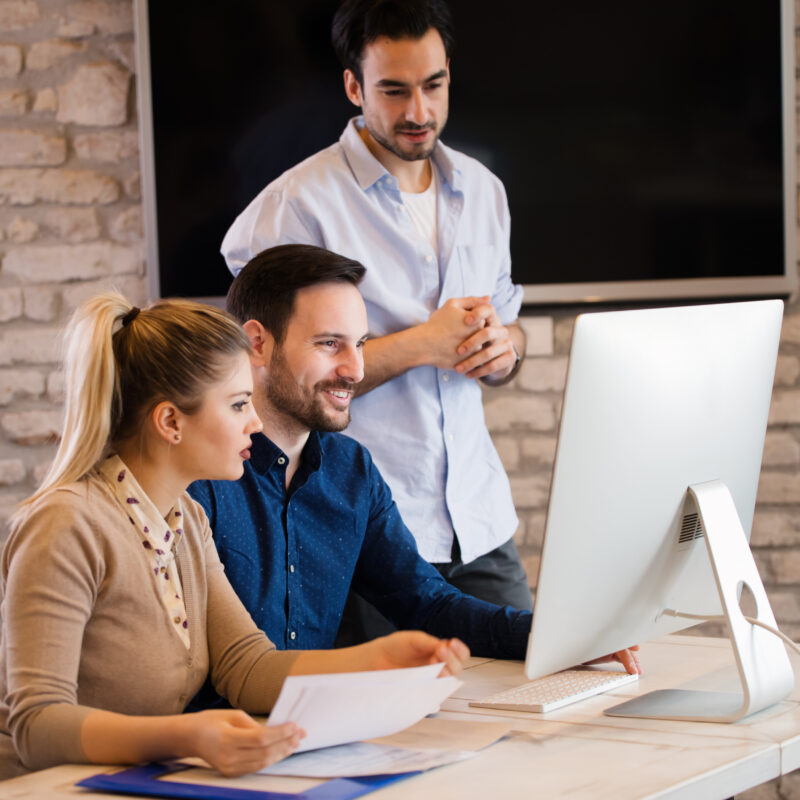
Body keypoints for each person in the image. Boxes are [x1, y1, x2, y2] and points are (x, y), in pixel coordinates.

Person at [0, 292, 468, 781]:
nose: (256, 422)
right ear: (170, 422)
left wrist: (374, 661)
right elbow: (37, 726)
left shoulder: (184, 519)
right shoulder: (66, 525)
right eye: (239, 404)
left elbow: (245, 665)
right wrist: (188, 736)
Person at [187, 244, 640, 707]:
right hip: (205, 747)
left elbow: (426, 604)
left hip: (316, 734)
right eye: (329, 344)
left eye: (359, 344)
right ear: (257, 343)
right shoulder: (196, 475)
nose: (355, 369)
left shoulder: (351, 470)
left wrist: (564, 639)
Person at [220, 0, 532, 639]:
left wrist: (505, 350)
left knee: (534, 691)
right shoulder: (294, 207)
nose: (418, 111)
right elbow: (269, 375)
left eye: (433, 86)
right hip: (361, 533)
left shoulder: (484, 191)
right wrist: (424, 344)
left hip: (478, 519)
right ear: (353, 86)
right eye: (393, 90)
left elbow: (510, 326)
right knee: (391, 734)